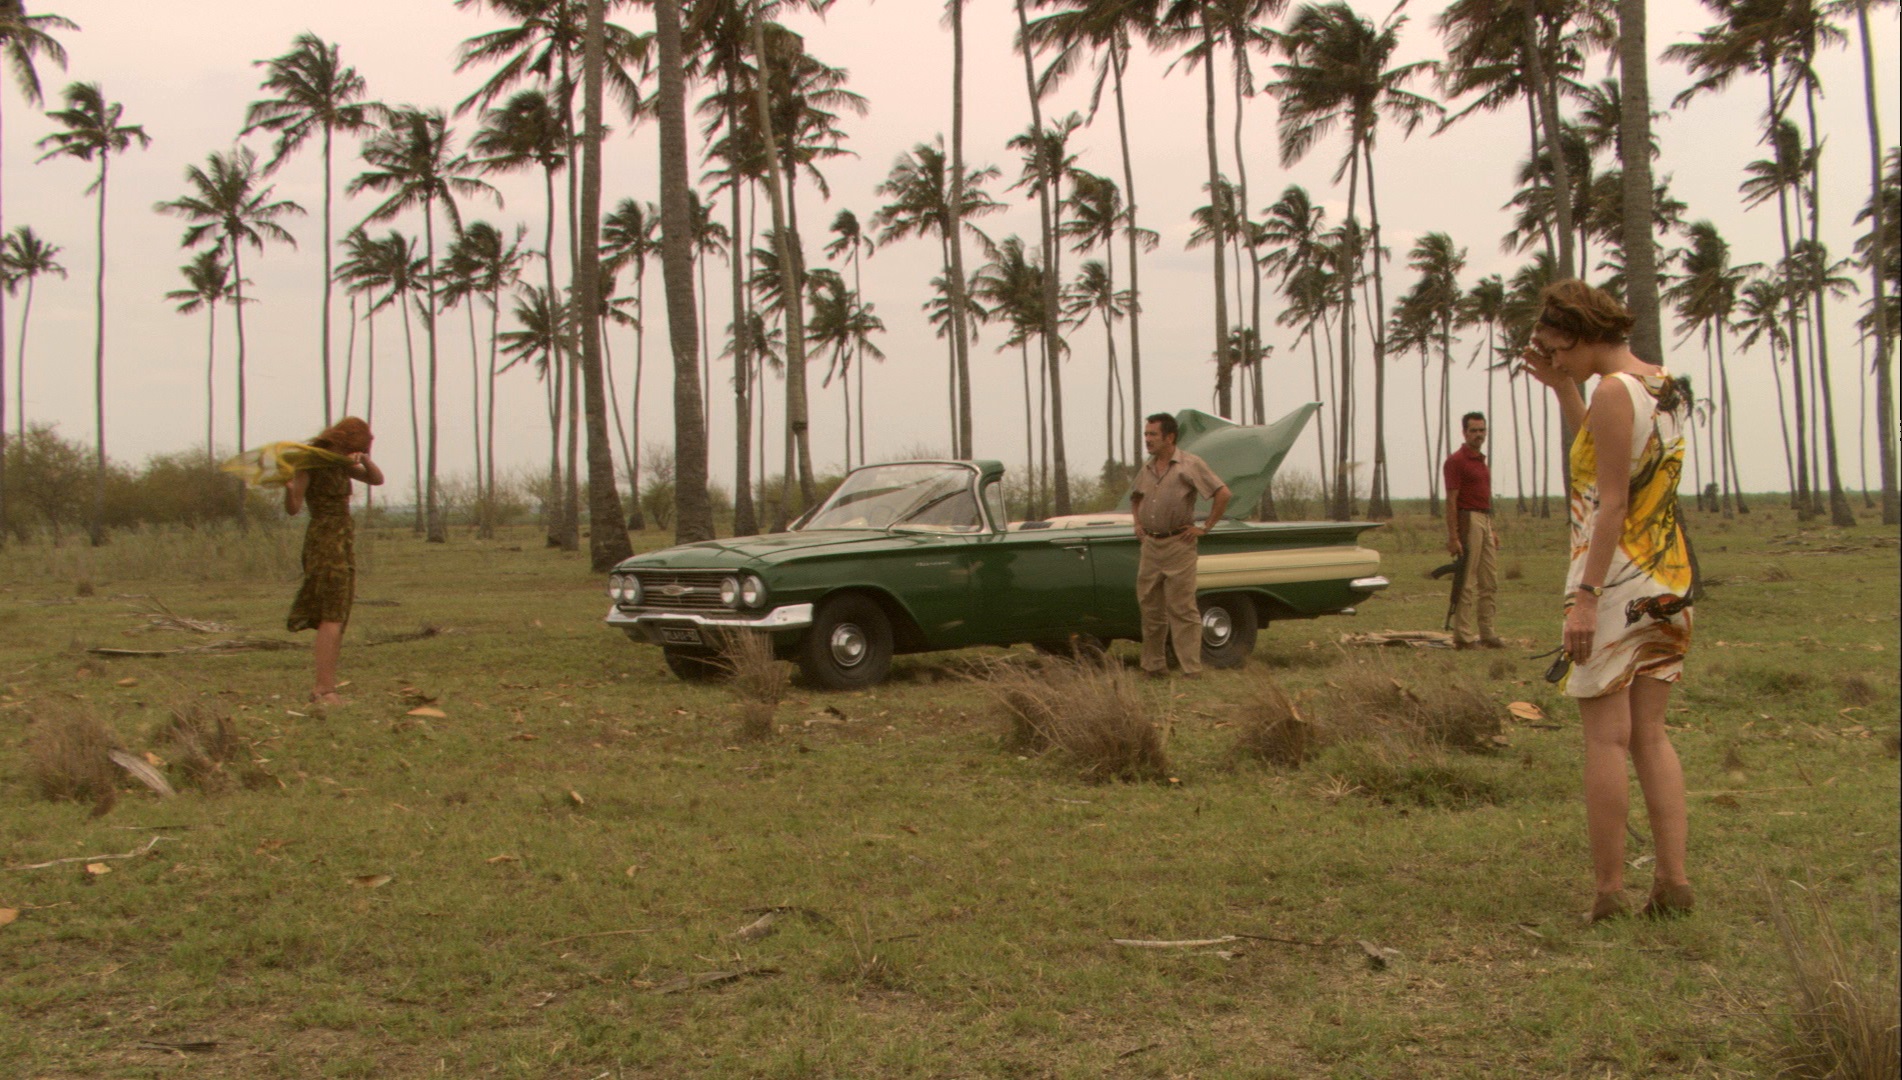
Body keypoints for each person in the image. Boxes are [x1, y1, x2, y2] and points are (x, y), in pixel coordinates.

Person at [1521, 280, 1696, 924]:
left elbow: (1610, 502)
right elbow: (1600, 454)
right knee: (1651, 734)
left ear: (1576, 330)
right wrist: (1560, 387)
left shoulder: (1613, 390)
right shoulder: (1661, 385)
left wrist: (1586, 599)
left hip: (1615, 585)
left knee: (1605, 740)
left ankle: (1609, 892)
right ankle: (1673, 881)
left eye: (1554, 347)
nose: (1552, 357)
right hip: (1667, 581)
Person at [225, 417, 385, 705]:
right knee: (331, 613)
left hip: (343, 539)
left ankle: (327, 687)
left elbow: (375, 479)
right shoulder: (310, 463)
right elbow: (294, 508)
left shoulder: (341, 463)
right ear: (350, 439)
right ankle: (324, 690)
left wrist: (365, 460)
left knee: (338, 613)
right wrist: (289, 489)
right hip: (324, 541)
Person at [1128, 413, 1230, 678]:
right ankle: (1154, 666)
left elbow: (1223, 493)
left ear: (1169, 437)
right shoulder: (1148, 467)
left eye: (1153, 435)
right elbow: (1136, 497)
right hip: (1151, 545)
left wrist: (1204, 527)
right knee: (1150, 609)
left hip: (1179, 545)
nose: (1147, 440)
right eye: (1146, 434)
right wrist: (1138, 525)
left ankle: (1191, 669)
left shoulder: (1189, 464)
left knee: (1182, 609)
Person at [1443, 411, 1504, 650]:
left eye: (1482, 430)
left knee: (1489, 580)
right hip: (1468, 519)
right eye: (1474, 430)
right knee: (1467, 580)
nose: (1479, 435)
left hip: (1484, 519)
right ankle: (1464, 637)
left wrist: (1492, 528)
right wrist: (1453, 535)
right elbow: (1451, 500)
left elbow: (1483, 498)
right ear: (1464, 432)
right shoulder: (1456, 461)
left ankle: (1487, 632)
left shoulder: (1480, 461)